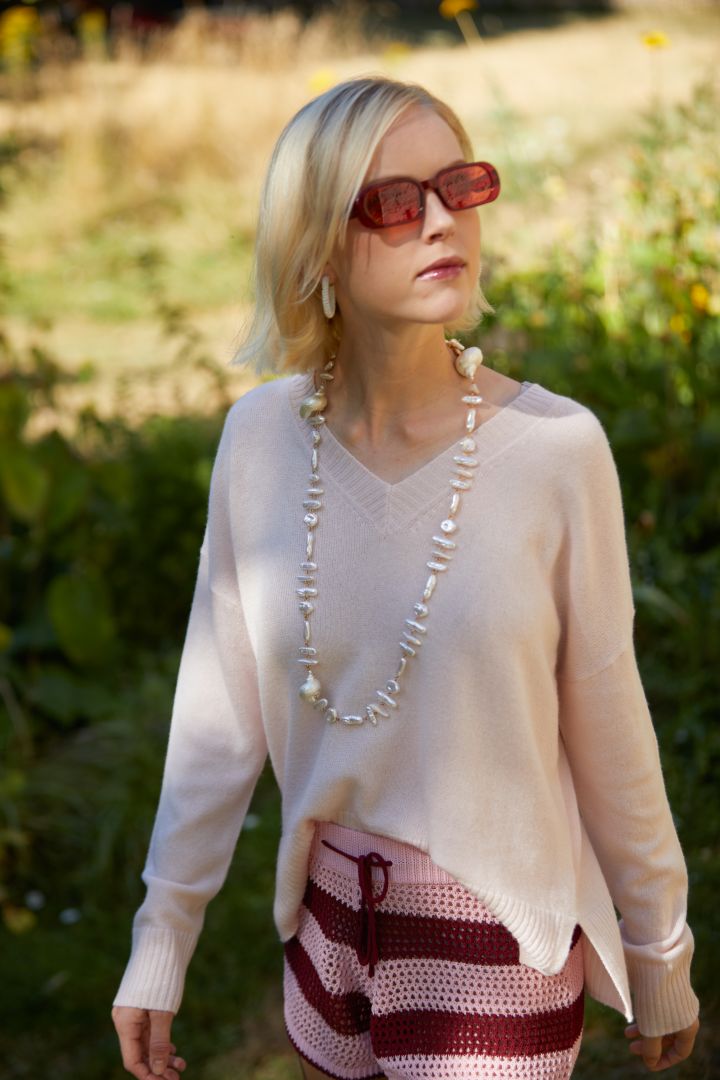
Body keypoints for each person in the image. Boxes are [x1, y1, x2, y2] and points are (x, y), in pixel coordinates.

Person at [111, 76, 701, 1080]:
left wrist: (658, 948)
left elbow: (610, 717)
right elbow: (216, 715)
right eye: (391, 202)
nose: (440, 221)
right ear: (315, 247)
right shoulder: (259, 441)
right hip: (327, 933)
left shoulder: (555, 450)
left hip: (498, 953)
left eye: (459, 187)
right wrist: (161, 938)